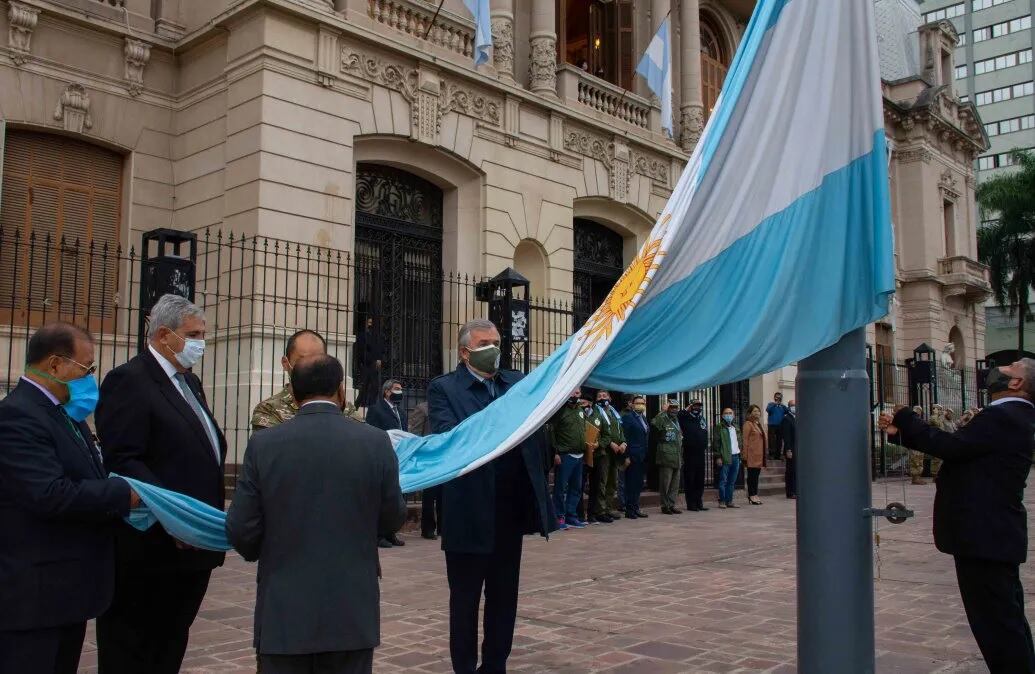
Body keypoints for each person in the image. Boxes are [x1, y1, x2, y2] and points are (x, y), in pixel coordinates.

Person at [226, 354, 406, 674]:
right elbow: (392, 518)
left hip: (283, 611)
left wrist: (262, 549)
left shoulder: (264, 444)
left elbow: (242, 529)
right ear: (341, 391)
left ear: (294, 395)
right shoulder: (375, 442)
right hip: (352, 612)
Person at [95, 294, 227, 674]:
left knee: (170, 641)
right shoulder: (129, 380)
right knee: (135, 646)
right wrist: (174, 516)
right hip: (151, 547)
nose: (201, 342)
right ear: (165, 336)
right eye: (194, 334)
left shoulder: (190, 382)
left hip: (191, 547)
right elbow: (124, 457)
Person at [879, 359, 1035, 673]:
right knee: (1006, 620)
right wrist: (902, 433)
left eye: (1012, 366)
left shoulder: (1005, 416)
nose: (1002, 366)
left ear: (1017, 383)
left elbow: (952, 446)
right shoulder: (1012, 416)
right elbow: (965, 452)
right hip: (992, 534)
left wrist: (906, 415)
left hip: (985, 534)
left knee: (998, 626)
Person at [0, 323, 140, 674]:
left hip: (67, 591)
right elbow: (49, 493)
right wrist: (121, 492)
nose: (90, 378)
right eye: (86, 368)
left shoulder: (65, 415)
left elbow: (90, 473)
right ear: (55, 365)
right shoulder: (17, 416)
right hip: (35, 598)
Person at [427, 319, 553, 674]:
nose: (494, 349)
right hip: (468, 510)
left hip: (509, 510)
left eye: (497, 341)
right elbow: (450, 439)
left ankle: (496, 664)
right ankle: (464, 667)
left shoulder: (516, 383)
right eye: (485, 343)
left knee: (503, 597)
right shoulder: (445, 389)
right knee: (465, 601)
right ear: (465, 351)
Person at [251, 329, 359, 430]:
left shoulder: (345, 408)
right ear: (285, 363)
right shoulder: (269, 410)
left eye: (318, 360)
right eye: (302, 361)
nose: (311, 367)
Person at [365, 379, 408, 548]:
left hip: (399, 457)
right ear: (386, 392)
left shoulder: (401, 413)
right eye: (397, 389)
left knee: (395, 496)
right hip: (382, 457)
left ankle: (391, 532)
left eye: (401, 389)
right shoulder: (376, 410)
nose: (400, 392)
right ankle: (379, 534)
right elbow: (371, 431)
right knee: (381, 496)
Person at [549, 388, 590, 530]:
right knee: (560, 488)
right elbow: (552, 432)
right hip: (565, 455)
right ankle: (559, 517)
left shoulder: (580, 410)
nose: (575, 395)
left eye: (577, 393)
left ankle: (571, 516)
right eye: (572, 392)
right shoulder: (560, 411)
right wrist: (555, 452)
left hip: (580, 455)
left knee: (576, 488)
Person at [586, 390, 626, 522]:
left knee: (612, 481)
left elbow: (620, 429)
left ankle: (609, 508)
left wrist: (624, 442)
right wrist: (610, 443)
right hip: (604, 452)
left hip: (616, 452)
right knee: (602, 482)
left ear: (610, 398)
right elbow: (601, 432)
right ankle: (600, 510)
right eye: (599, 396)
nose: (602, 398)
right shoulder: (596, 412)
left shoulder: (614, 412)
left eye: (605, 396)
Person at [409, 402, 441, 540]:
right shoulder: (422, 408)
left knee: (444, 495)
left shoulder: (444, 407)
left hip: (443, 454)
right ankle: (427, 529)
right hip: (428, 457)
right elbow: (415, 433)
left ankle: (443, 528)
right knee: (429, 495)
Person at [652, 399, 683, 514]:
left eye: (676, 407)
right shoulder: (663, 419)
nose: (674, 410)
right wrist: (662, 412)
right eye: (672, 407)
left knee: (675, 484)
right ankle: (665, 506)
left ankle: (671, 504)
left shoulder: (677, 420)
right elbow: (654, 423)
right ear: (667, 408)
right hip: (666, 457)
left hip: (677, 456)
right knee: (665, 483)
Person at [621, 395, 650, 519]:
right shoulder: (628, 418)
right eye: (637, 403)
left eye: (642, 403)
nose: (640, 405)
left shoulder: (643, 418)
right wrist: (626, 456)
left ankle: (636, 506)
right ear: (631, 405)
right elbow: (625, 437)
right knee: (631, 483)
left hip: (642, 456)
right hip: (632, 455)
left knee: (638, 483)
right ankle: (630, 509)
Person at [678, 399, 709, 512]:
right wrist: (687, 409)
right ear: (690, 406)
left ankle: (699, 502)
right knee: (690, 479)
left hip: (700, 452)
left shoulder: (701, 418)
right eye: (695, 406)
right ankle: (691, 504)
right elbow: (679, 415)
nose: (697, 408)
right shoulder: (685, 417)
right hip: (689, 452)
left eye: (699, 406)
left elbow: (704, 431)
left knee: (700, 479)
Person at [712, 408, 742, 508]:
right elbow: (716, 443)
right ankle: (722, 500)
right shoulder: (719, 427)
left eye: (730, 413)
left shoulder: (736, 427)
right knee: (723, 480)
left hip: (736, 456)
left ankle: (730, 501)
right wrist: (718, 457)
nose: (728, 415)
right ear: (722, 415)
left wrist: (740, 454)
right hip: (725, 456)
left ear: (733, 415)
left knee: (732, 481)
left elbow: (739, 441)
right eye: (726, 413)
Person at [355, 317, 385, 412]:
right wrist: (373, 359)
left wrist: (379, 359)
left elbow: (381, 349)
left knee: (375, 387)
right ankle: (358, 406)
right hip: (365, 364)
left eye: (372, 323)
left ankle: (371, 407)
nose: (370, 325)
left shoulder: (379, 336)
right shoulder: (362, 335)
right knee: (364, 387)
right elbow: (361, 351)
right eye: (369, 322)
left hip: (374, 366)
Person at [742, 404, 767, 505]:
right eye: (755, 411)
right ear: (750, 413)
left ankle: (755, 494)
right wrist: (745, 454)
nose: (757, 413)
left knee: (756, 476)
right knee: (752, 476)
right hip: (751, 454)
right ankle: (751, 495)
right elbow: (745, 440)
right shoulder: (748, 424)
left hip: (759, 455)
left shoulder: (758, 424)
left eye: (758, 411)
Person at [781, 401, 797, 499]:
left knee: (796, 471)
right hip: (791, 449)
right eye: (792, 405)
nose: (794, 407)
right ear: (789, 407)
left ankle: (795, 490)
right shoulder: (787, 419)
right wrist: (788, 450)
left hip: (797, 449)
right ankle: (790, 491)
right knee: (791, 470)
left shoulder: (797, 418)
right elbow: (786, 436)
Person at [765, 392, 788, 461]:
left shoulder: (782, 406)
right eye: (777, 397)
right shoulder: (771, 404)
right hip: (772, 425)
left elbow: (787, 411)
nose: (778, 398)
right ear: (774, 397)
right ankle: (771, 454)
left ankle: (778, 455)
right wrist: (774, 404)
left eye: (779, 397)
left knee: (779, 440)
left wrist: (783, 405)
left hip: (780, 425)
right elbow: (768, 410)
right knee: (771, 440)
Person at [908, 405, 928, 485]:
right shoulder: (910, 420)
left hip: (920, 443)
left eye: (920, 410)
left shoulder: (918, 420)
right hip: (914, 443)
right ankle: (915, 478)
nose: (919, 412)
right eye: (918, 410)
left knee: (919, 461)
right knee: (915, 461)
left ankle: (918, 478)